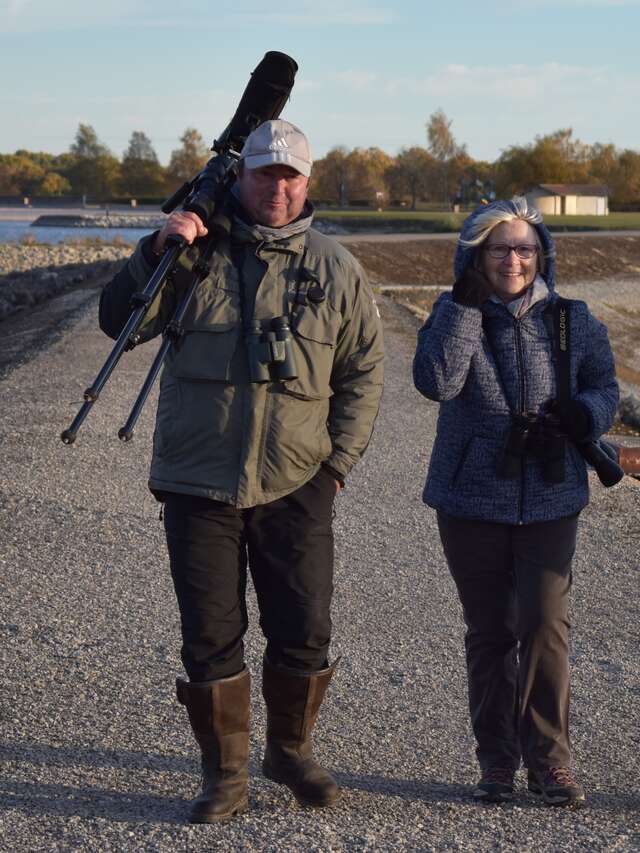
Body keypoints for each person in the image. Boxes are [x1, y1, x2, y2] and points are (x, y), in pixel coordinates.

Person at [99, 119, 384, 822]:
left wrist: (336, 465)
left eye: (290, 177)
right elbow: (121, 324)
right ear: (242, 176)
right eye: (264, 174)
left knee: (305, 625)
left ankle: (288, 748)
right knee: (209, 631)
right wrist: (158, 247)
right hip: (198, 481)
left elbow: (364, 371)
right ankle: (224, 772)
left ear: (306, 183)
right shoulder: (195, 254)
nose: (277, 189)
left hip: (298, 480)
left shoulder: (335, 268)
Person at [412, 197, 618, 808]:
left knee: (547, 628)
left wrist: (585, 414)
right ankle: (497, 762)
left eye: (526, 248)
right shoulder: (452, 311)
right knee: (491, 631)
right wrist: (465, 308)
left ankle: (551, 763)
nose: (514, 260)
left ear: (542, 255)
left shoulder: (572, 319)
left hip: (551, 494)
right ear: (477, 255)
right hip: (470, 497)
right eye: (500, 248)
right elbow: (438, 382)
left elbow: (603, 386)